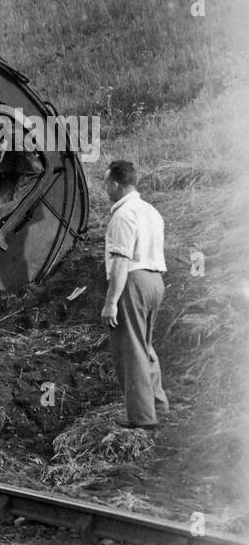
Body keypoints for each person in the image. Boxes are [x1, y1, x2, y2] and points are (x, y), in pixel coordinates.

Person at [100, 160, 168, 429]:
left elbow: (120, 261)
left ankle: (142, 418)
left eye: (106, 184)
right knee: (145, 346)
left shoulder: (123, 214)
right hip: (155, 281)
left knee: (130, 350)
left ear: (115, 185)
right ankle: (158, 406)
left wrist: (111, 302)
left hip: (133, 282)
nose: (105, 189)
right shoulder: (151, 211)